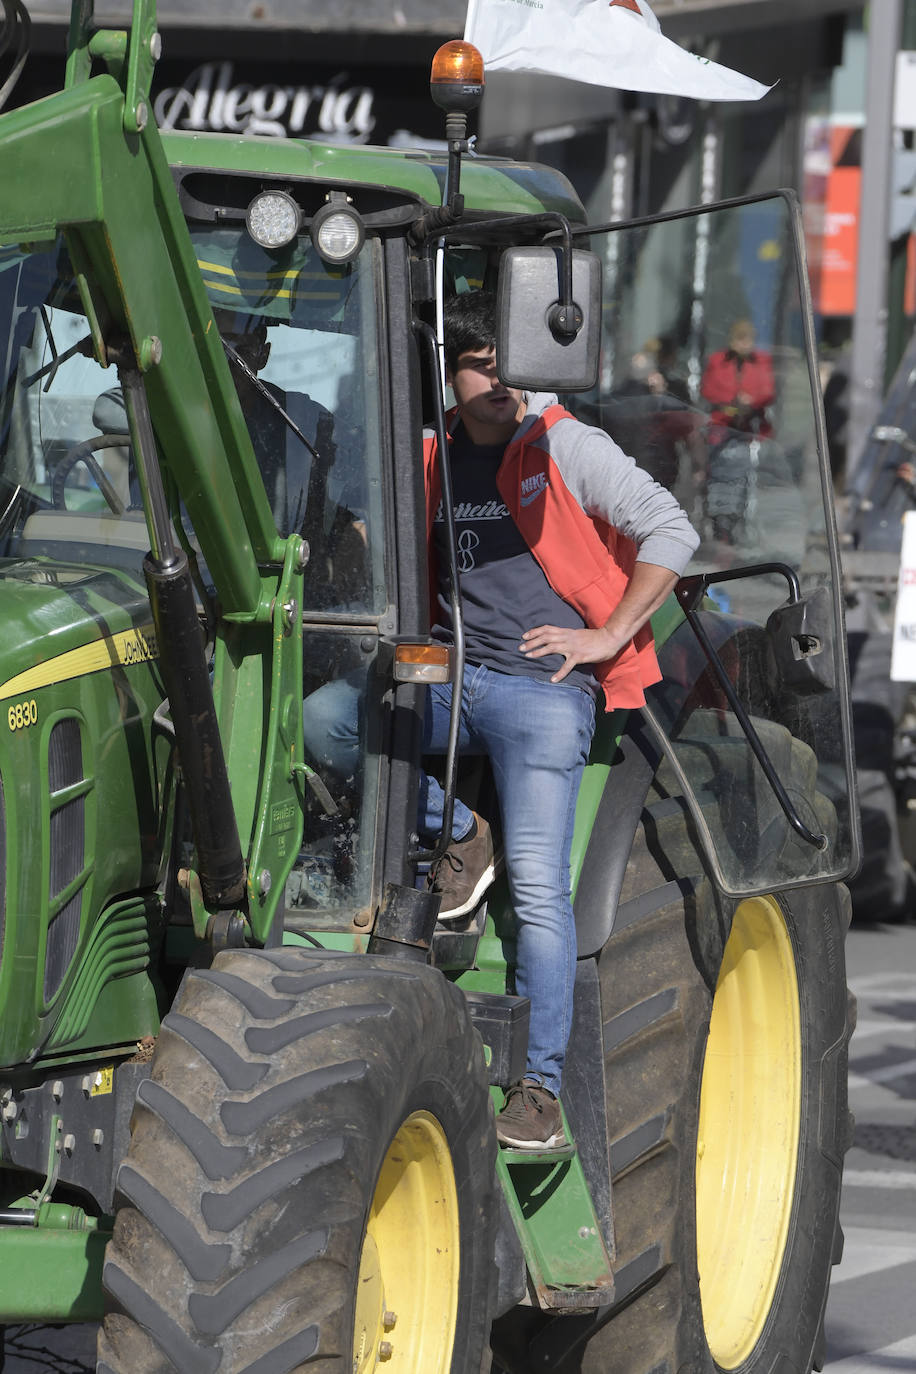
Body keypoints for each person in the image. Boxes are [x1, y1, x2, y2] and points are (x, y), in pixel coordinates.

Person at [700, 317, 775, 447]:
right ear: (732, 340)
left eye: (749, 338)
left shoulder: (762, 361)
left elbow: (768, 392)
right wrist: (733, 400)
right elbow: (708, 390)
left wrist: (751, 400)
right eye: (740, 338)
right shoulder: (717, 361)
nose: (745, 343)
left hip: (753, 426)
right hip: (722, 425)